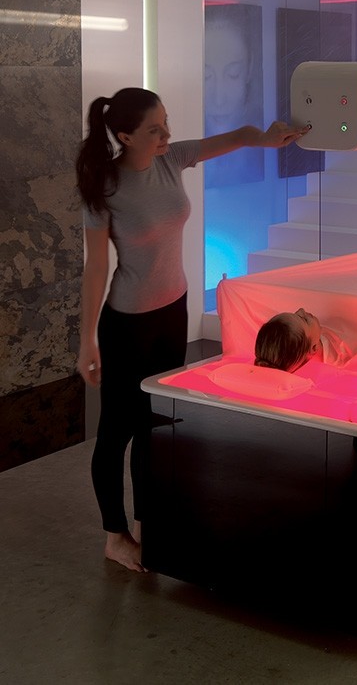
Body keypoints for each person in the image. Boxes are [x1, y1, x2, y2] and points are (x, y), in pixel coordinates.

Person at [75, 86, 309, 572]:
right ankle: (115, 537)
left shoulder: (171, 159)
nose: (167, 134)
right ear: (125, 137)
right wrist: (87, 340)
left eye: (166, 123)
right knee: (117, 431)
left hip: (172, 312)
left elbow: (236, 137)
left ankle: (148, 524)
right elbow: (96, 268)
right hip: (128, 323)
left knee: (156, 426)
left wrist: (268, 137)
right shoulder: (104, 187)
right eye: (154, 129)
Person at [254, 309, 354, 373]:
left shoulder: (308, 339)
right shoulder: (340, 358)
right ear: (314, 348)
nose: (301, 310)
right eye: (304, 319)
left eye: (295, 314)